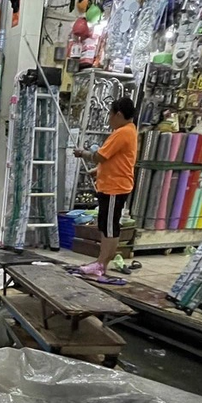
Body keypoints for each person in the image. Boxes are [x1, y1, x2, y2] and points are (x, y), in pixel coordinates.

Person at [73, 97, 138, 277]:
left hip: (114, 188)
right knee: (107, 225)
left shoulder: (122, 132)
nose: (109, 119)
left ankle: (101, 264)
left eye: (110, 114)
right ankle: (101, 262)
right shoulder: (129, 131)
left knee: (109, 227)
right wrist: (98, 171)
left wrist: (82, 153)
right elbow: (116, 159)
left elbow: (100, 156)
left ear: (118, 114)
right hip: (114, 185)